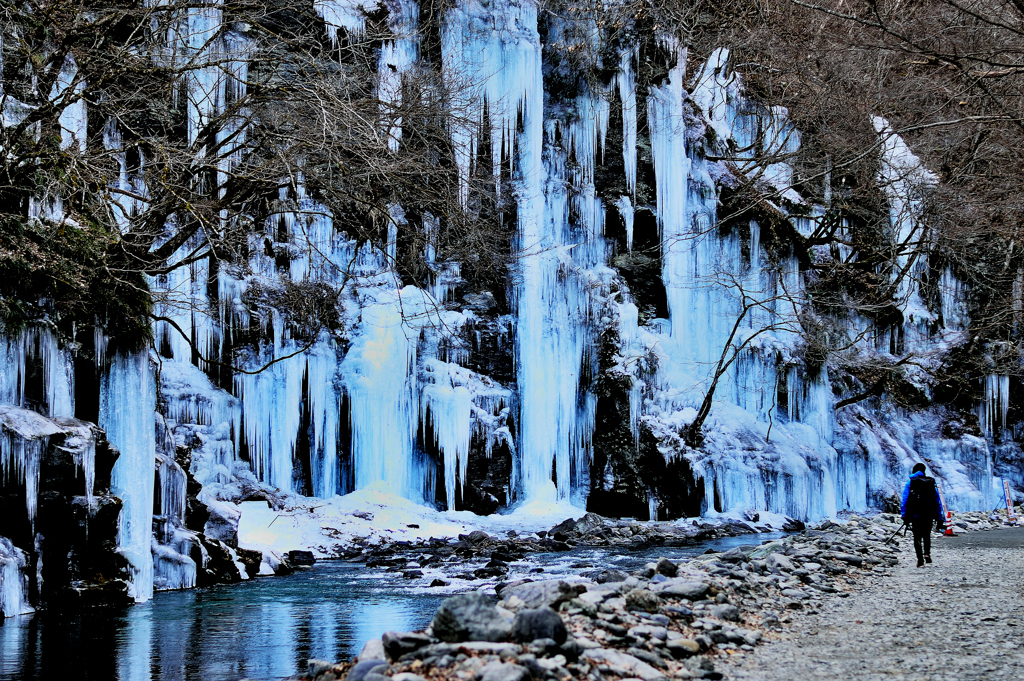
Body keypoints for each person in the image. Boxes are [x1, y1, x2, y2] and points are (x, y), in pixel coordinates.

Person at [900, 463, 945, 567]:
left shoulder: (910, 483)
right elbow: (937, 500)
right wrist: (939, 517)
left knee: (917, 537)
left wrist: (904, 516)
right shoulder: (930, 482)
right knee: (926, 535)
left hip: (915, 515)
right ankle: (927, 554)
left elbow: (905, 500)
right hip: (928, 514)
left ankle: (920, 559)